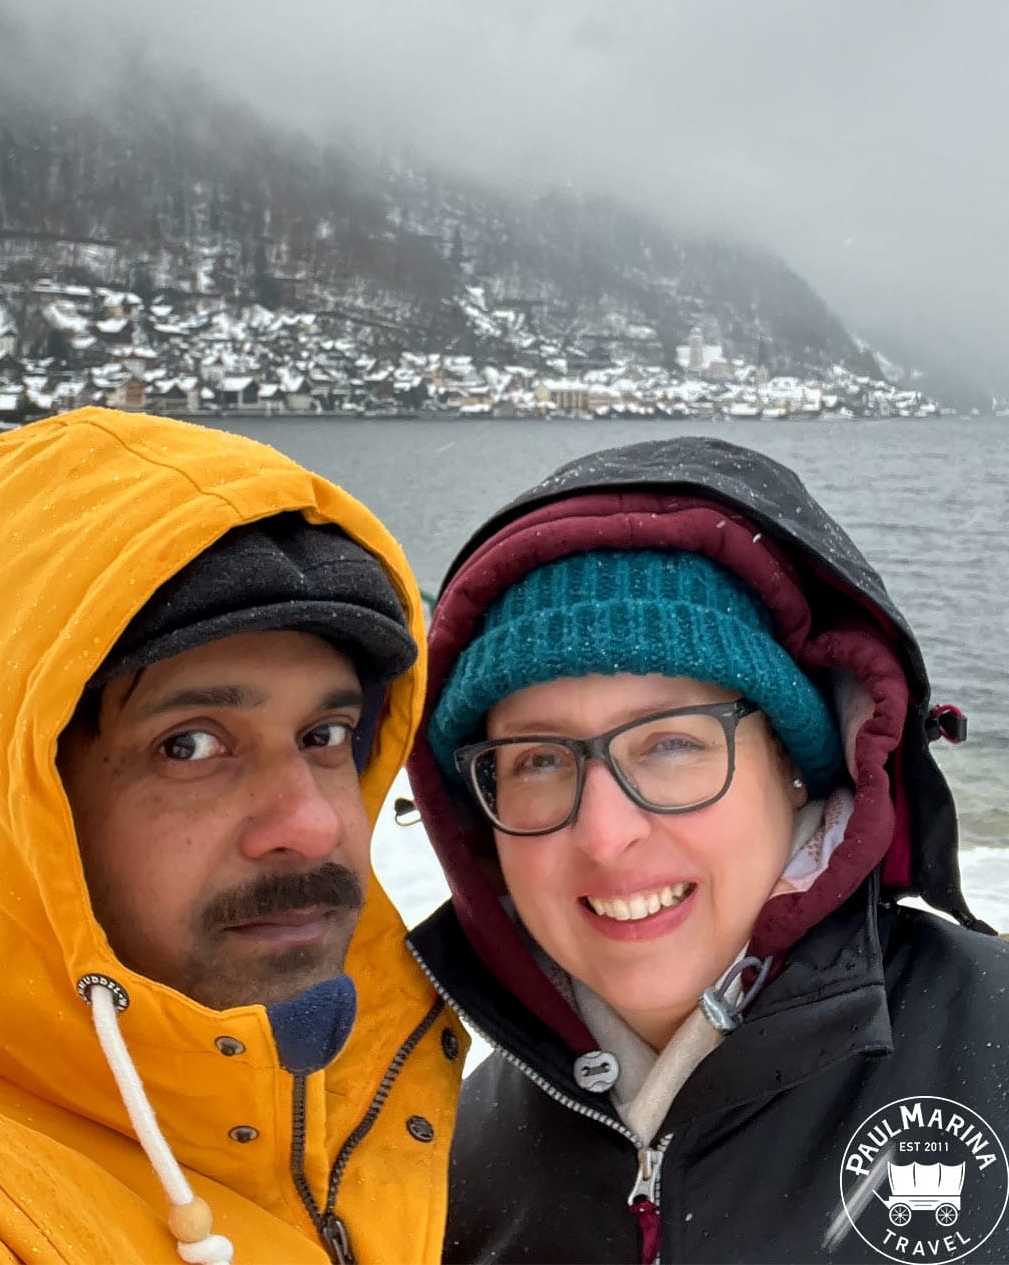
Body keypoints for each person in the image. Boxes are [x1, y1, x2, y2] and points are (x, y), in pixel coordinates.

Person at [0, 408, 464, 1264]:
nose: (309, 824)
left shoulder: (371, 1087)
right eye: (188, 745)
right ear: (24, 805)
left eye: (326, 737)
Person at [406, 437, 1009, 1264]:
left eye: (672, 745)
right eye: (540, 761)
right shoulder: (448, 1169)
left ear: (795, 765)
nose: (606, 833)